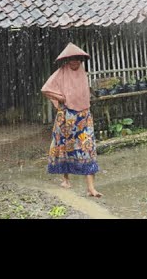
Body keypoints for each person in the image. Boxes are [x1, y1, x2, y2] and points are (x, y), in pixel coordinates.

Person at [41, 42, 102, 198]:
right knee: (64, 148)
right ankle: (66, 180)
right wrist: (61, 97)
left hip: (84, 116)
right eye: (72, 59)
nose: (75, 62)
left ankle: (91, 188)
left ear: (81, 60)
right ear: (67, 60)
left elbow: (83, 93)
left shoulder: (82, 72)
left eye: (77, 59)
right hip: (66, 116)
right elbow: (45, 89)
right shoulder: (61, 72)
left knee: (88, 149)